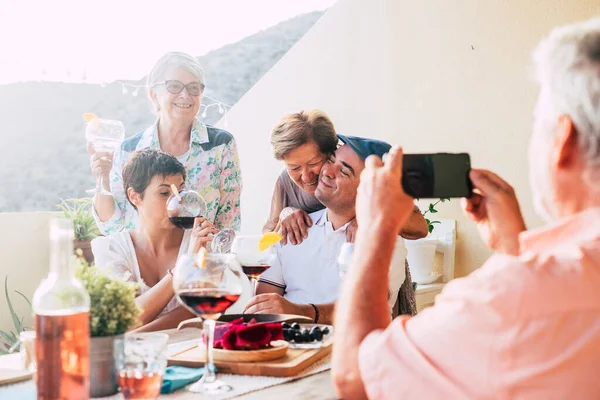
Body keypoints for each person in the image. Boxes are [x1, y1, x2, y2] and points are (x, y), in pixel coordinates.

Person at [332, 19, 600, 399]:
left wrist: (376, 228)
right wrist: (515, 250)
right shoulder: (535, 288)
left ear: (562, 139)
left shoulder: (512, 300)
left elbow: (355, 378)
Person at [245, 136, 411, 324]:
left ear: (368, 189)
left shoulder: (385, 240)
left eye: (344, 171)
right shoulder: (292, 228)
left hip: (347, 349)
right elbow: (262, 309)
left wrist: (301, 312)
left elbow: (367, 308)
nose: (327, 172)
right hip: (287, 348)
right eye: (331, 161)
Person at [92, 149, 250, 332]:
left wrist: (136, 335)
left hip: (191, 351)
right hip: (137, 355)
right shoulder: (112, 249)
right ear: (135, 196)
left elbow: (198, 311)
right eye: (164, 193)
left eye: (180, 191)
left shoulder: (200, 242)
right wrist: (183, 267)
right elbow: (126, 319)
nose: (177, 202)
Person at [90, 52, 242, 236]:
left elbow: (229, 223)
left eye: (194, 88)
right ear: (153, 94)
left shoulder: (221, 145)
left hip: (199, 261)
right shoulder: (128, 150)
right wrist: (102, 177)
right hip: (141, 262)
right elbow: (112, 227)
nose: (185, 95)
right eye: (174, 86)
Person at [263, 109, 428, 245]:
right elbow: (266, 242)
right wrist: (286, 214)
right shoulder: (285, 181)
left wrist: (368, 217)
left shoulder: (355, 172)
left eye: (314, 163)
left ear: (332, 152)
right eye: (294, 167)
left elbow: (420, 227)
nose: (306, 177)